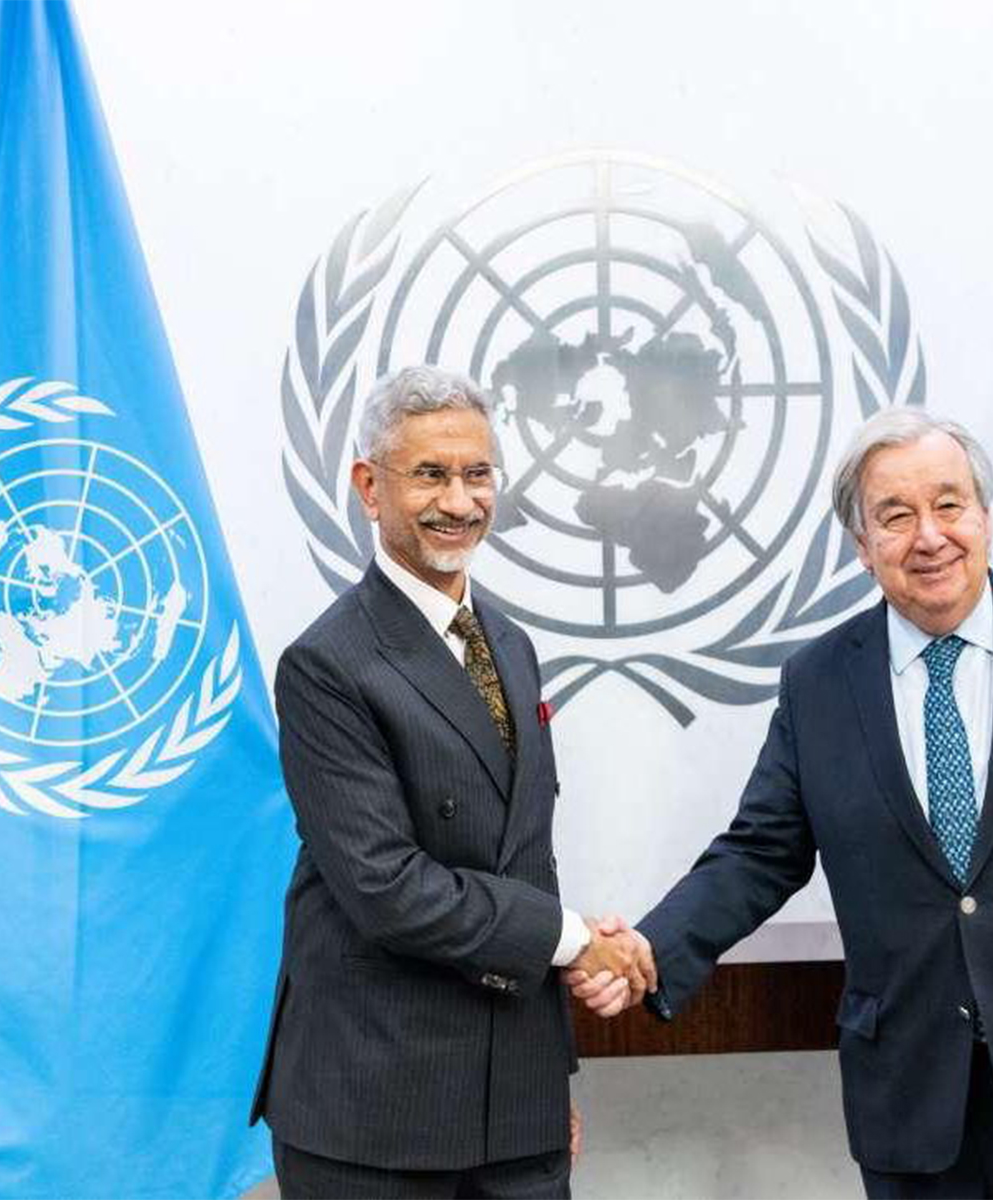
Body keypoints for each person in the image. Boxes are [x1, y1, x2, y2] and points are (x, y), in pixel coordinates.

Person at [572, 409, 993, 1200]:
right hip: (915, 1105)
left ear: (983, 515)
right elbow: (759, 852)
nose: (929, 536)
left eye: (949, 505)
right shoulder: (818, 682)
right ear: (862, 544)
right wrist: (648, 950)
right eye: (895, 515)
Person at [252, 366, 647, 1199]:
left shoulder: (507, 641)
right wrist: (575, 940)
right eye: (430, 474)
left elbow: (522, 860)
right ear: (369, 485)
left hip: (513, 1111)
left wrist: (546, 1088)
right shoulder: (327, 665)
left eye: (477, 475)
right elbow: (387, 889)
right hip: (376, 1116)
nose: (460, 502)